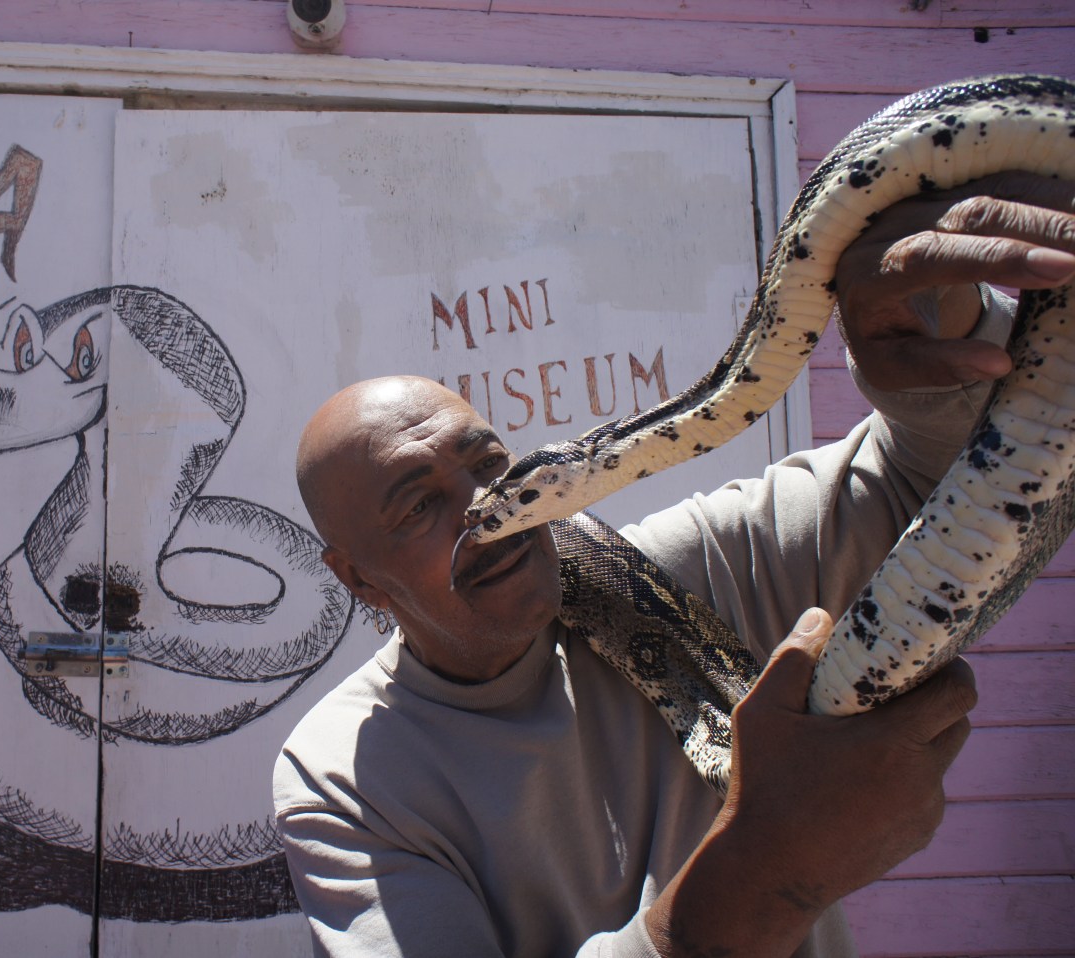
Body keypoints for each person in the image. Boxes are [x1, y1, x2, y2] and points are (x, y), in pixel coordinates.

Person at [271, 172, 1075, 958]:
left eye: (488, 463)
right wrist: (772, 865)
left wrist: (941, 318)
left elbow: (948, 479)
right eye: (418, 507)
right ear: (356, 577)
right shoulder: (342, 777)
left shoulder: (685, 568)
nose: (486, 515)